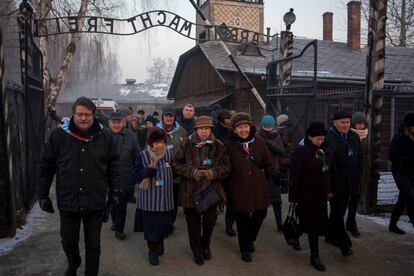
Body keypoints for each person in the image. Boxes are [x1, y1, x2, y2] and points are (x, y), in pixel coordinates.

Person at [37, 97, 122, 276]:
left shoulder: (105, 136)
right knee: (68, 241)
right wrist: (42, 194)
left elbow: (114, 165)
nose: (83, 118)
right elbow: (46, 166)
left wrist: (115, 190)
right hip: (69, 199)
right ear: (73, 114)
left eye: (87, 114)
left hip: (95, 199)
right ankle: (73, 263)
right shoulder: (59, 136)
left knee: (93, 245)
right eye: (80, 114)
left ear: (94, 115)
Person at [172, 116, 231, 265]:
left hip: (211, 190)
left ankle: (206, 245)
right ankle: (197, 251)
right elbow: (175, 162)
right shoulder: (186, 144)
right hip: (190, 191)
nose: (204, 131)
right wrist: (191, 172)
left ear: (211, 129)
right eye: (201, 128)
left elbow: (227, 167)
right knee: (193, 224)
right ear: (196, 130)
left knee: (210, 221)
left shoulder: (218, 145)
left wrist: (213, 173)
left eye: (207, 128)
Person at [224, 112, 279, 262]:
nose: (243, 130)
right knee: (242, 220)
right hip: (238, 188)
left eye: (246, 126)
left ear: (250, 127)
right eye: (240, 127)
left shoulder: (259, 141)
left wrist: (276, 175)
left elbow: (268, 162)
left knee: (261, 213)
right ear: (234, 130)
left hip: (258, 187)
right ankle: (245, 248)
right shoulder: (228, 145)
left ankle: (250, 238)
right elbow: (224, 168)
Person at [289, 122, 337, 271]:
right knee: (311, 225)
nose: (320, 141)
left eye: (322, 138)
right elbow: (295, 176)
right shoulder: (301, 152)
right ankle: (314, 256)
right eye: (317, 138)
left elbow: (332, 173)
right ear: (309, 137)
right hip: (305, 195)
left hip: (321, 196)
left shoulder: (327, 152)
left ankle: (295, 236)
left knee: (310, 224)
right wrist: (293, 197)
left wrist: (332, 189)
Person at [133, 128, 174, 266]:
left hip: (165, 199)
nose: (160, 145)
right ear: (150, 143)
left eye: (162, 142)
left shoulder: (169, 154)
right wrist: (149, 170)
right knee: (151, 228)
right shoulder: (143, 155)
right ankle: (152, 250)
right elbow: (136, 176)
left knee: (163, 225)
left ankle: (160, 242)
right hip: (149, 200)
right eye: (156, 142)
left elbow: (177, 170)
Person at [325, 111, 362, 257]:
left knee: (338, 211)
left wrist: (358, 173)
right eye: (342, 122)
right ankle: (344, 244)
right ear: (335, 123)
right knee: (338, 212)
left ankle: (329, 236)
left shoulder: (354, 137)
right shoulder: (329, 139)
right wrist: (328, 185)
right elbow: (327, 163)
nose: (346, 125)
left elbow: (359, 157)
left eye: (347, 122)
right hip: (336, 183)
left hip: (351, 181)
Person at [108, 111, 140, 240]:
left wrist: (134, 174)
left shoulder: (130, 136)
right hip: (108, 176)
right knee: (112, 201)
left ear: (123, 122)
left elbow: (137, 156)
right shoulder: (104, 135)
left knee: (121, 205)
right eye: (113, 122)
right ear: (109, 123)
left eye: (118, 122)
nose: (116, 125)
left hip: (125, 176)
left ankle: (119, 229)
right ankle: (115, 222)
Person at [156, 109, 187, 233]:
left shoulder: (181, 131)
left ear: (174, 118)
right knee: (161, 198)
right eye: (167, 116)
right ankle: (162, 222)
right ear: (163, 117)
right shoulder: (156, 130)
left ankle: (170, 222)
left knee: (173, 199)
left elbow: (187, 147)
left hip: (176, 171)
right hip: (160, 170)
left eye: (171, 116)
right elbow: (148, 147)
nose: (169, 119)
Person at [257, 115, 284, 231]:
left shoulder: (277, 136)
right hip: (261, 172)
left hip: (274, 170)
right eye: (265, 126)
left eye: (269, 127)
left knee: (277, 201)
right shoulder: (257, 137)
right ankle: (256, 223)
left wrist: (271, 144)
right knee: (261, 201)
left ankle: (279, 224)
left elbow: (281, 152)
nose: (267, 129)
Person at [389, 112, 414, 234]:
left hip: (411, 173)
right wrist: (410, 158)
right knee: (411, 198)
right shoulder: (398, 138)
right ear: (409, 127)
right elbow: (392, 156)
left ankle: (392, 224)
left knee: (403, 199)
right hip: (399, 172)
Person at [214, 109, 235, 236]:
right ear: (221, 122)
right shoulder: (215, 131)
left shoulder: (232, 131)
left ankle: (229, 225)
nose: (228, 125)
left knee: (231, 198)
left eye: (229, 123)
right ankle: (213, 215)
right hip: (218, 167)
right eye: (226, 123)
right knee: (216, 195)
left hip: (231, 168)